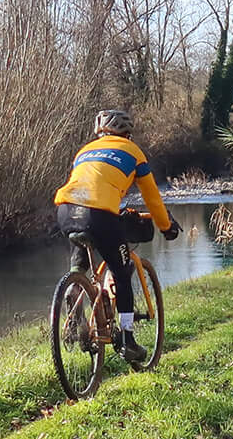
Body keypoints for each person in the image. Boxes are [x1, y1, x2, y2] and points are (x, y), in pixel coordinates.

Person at [53, 109, 179, 365]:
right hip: (100, 214)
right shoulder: (133, 152)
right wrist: (166, 227)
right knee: (122, 272)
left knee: (81, 250)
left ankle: (76, 285)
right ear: (127, 134)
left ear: (99, 133)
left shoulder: (85, 151)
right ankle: (127, 340)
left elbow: (88, 186)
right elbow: (152, 198)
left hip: (66, 210)